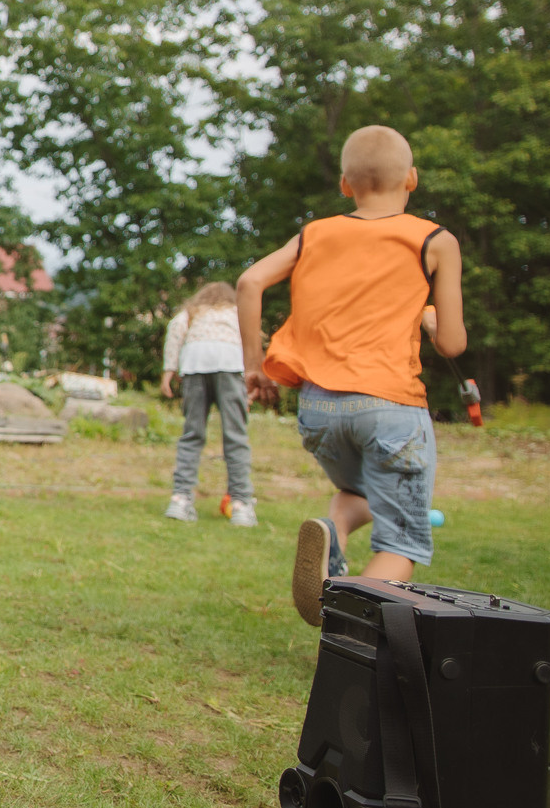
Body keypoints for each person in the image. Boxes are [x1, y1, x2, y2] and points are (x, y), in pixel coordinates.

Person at [236, 125, 466, 625]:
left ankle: (332, 529)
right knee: (401, 541)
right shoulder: (434, 240)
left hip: (319, 408)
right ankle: (350, 619)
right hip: (390, 406)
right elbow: (452, 343)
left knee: (358, 494)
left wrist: (255, 368)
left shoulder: (314, 234)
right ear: (412, 178)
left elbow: (250, 281)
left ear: (345, 185)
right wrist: (428, 318)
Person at [159, 281, 254, 524]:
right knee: (236, 436)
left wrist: (169, 371)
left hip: (194, 364)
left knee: (192, 434)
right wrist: (251, 380)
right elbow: (250, 338)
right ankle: (241, 504)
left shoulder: (193, 312)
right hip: (230, 364)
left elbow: (175, 330)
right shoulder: (236, 311)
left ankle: (180, 500)